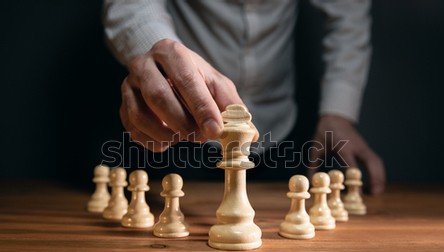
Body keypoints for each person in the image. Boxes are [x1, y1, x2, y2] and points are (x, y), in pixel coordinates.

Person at [102, 0, 385, 194]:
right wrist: (156, 55)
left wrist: (339, 109)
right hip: (177, 126)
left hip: (282, 132)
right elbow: (131, 5)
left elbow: (348, 15)